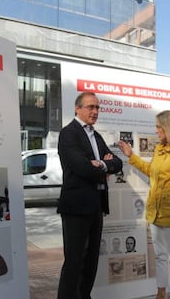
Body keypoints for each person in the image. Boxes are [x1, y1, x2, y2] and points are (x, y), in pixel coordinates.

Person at [57, 92, 123, 299]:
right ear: (78, 108)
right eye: (90, 107)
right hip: (76, 207)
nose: (94, 111)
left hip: (96, 206)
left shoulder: (96, 135)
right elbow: (81, 168)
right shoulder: (69, 133)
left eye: (97, 108)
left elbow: (118, 163)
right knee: (74, 261)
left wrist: (102, 163)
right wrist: (103, 166)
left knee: (91, 261)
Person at [118, 110, 170, 299]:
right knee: (160, 256)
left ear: (169, 127)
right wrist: (131, 156)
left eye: (159, 126)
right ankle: (161, 293)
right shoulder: (158, 148)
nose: (156, 130)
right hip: (154, 213)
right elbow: (151, 171)